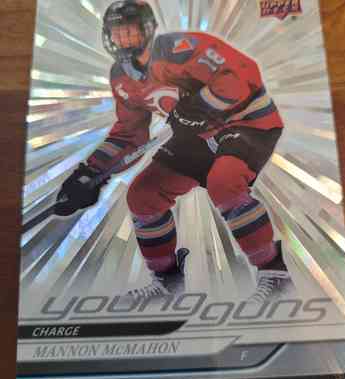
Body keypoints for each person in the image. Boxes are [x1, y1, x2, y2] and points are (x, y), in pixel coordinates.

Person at [55, 0, 292, 304]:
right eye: (118, 33)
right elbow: (129, 134)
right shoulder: (121, 79)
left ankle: (275, 274)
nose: (124, 39)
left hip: (247, 122)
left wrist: (202, 103)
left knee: (224, 183)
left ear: (148, 29)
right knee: (143, 196)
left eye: (130, 31)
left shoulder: (181, 48)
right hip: (197, 133)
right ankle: (168, 281)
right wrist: (90, 173)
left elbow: (241, 73)